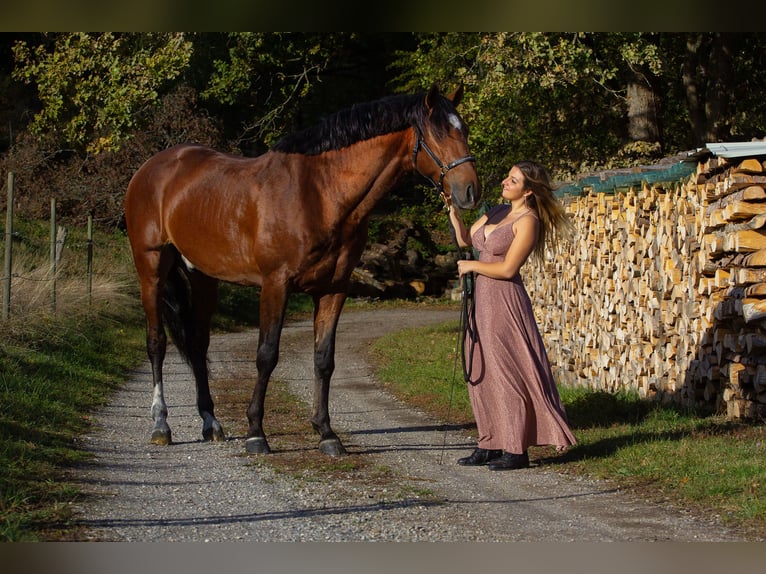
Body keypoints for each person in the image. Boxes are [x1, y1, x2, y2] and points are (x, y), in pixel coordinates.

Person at [444, 160, 576, 471]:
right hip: (482, 302)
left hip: (504, 301)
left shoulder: (527, 220)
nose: (505, 181)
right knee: (480, 370)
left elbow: (507, 269)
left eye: (513, 180)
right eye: (508, 176)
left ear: (528, 190)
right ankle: (489, 442)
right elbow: (466, 239)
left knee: (505, 373)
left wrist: (472, 266)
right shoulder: (496, 212)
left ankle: (516, 449)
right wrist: (452, 210)